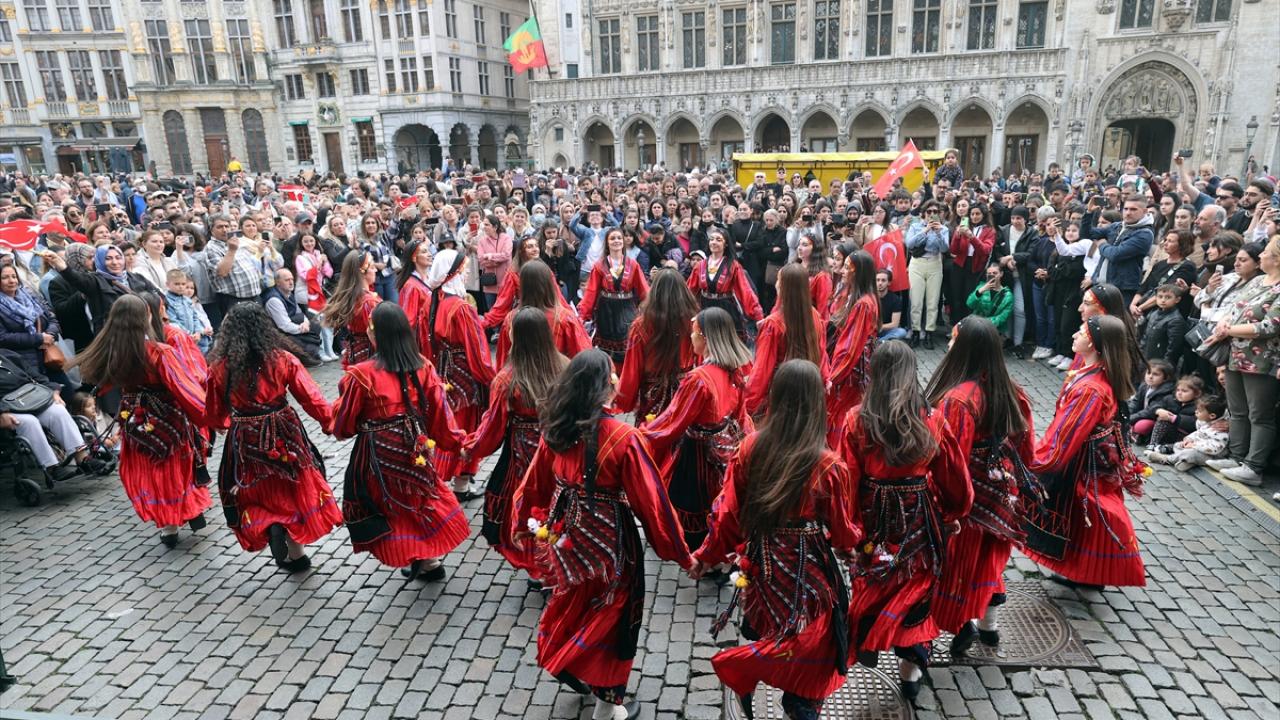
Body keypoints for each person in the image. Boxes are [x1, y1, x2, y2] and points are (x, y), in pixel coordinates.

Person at [511, 350, 692, 720]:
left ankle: (572, 664)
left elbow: (533, 484)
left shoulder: (557, 430)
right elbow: (652, 503)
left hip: (567, 539)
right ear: (605, 388)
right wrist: (681, 555)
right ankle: (607, 705)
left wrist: (519, 523)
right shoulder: (624, 439)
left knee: (571, 601)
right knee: (614, 614)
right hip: (611, 546)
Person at [689, 359, 857, 719]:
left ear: (775, 398)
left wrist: (706, 555)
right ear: (817, 403)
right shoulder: (830, 465)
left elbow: (729, 514)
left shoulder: (751, 448)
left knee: (772, 630)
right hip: (809, 570)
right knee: (811, 638)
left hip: (763, 565)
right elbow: (843, 531)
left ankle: (763, 676)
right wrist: (855, 546)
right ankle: (799, 702)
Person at [838, 340, 971, 700]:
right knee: (917, 587)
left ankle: (869, 632)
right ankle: (910, 672)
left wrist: (849, 532)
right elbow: (955, 477)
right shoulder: (932, 419)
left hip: (873, 516)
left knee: (874, 580)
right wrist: (954, 513)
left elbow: (846, 481)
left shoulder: (857, 419)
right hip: (918, 516)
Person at [924, 317, 1037, 655]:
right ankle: (989, 627)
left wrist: (945, 506)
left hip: (969, 496)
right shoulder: (1012, 390)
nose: (948, 344)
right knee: (989, 560)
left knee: (958, 565)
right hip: (1003, 492)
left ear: (965, 348)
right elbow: (1026, 448)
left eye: (953, 339)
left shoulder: (959, 399)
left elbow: (951, 460)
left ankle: (959, 627)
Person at [333, 302, 470, 582]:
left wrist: (344, 425)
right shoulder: (423, 365)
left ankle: (416, 555)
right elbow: (441, 414)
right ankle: (429, 559)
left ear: (375, 335)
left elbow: (344, 423)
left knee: (389, 502)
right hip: (416, 443)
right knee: (420, 495)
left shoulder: (361, 374)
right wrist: (459, 444)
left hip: (379, 449)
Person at [205, 304, 342, 573]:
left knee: (254, 487)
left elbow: (212, 409)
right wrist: (331, 423)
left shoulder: (221, 367)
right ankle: (296, 552)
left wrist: (218, 423)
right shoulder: (283, 359)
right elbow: (311, 396)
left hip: (244, 433)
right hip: (283, 428)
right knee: (292, 484)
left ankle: (271, 524)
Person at [71, 295, 210, 547]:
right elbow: (184, 389)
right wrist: (211, 416)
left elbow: (102, 386)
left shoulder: (112, 352)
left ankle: (170, 527)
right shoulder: (159, 352)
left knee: (150, 468)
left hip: (133, 417)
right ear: (147, 316)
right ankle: (181, 513)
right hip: (168, 417)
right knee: (174, 466)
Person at [1022, 315, 1147, 589]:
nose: (1073, 336)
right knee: (1087, 510)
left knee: (1091, 508)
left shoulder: (1090, 388)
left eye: (1080, 332)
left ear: (1093, 342)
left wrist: (1033, 461)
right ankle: (1088, 572)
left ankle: (1098, 570)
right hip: (1088, 458)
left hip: (1080, 461)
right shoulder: (1095, 375)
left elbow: (1066, 434)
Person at [464, 308, 568, 587]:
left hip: (523, 457)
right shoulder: (566, 367)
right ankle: (557, 562)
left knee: (528, 506)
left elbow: (492, 427)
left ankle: (539, 567)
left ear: (517, 338)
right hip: (561, 451)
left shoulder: (507, 379)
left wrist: (470, 447)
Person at [643, 306, 753, 560]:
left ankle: (697, 554)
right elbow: (740, 416)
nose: (689, 338)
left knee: (690, 504)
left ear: (704, 337)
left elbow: (672, 421)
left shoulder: (699, 379)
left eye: (693, 333)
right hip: (724, 448)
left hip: (696, 456)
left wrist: (640, 435)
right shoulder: (734, 371)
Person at [1203, 235, 1280, 486]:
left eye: (1266, 252)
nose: (1261, 256)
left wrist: (1231, 330)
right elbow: (1235, 307)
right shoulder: (1258, 280)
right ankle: (1236, 455)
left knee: (1260, 414)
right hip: (1236, 353)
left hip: (1262, 359)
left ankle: (1254, 465)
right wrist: (1225, 322)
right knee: (1238, 410)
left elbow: (1270, 326)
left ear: (1277, 259)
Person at [424, 248, 495, 499]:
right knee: (464, 424)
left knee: (449, 422)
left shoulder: (437, 300)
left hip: (446, 371)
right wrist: (491, 378)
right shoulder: (461, 308)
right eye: (463, 271)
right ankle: (458, 484)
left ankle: (453, 482)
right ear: (452, 273)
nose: (465, 276)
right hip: (464, 374)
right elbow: (477, 348)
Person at [0, 349, 109, 479]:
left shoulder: (7, 354)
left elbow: (34, 375)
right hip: (6, 407)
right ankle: (51, 467)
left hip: (30, 397)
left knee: (58, 410)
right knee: (29, 422)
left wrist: (53, 390)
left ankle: (83, 458)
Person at [615, 268, 698, 426]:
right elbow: (700, 360)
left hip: (652, 393)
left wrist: (623, 401)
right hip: (684, 391)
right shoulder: (693, 322)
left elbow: (632, 369)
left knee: (651, 437)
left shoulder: (641, 325)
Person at [746, 264, 827, 416]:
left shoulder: (774, 324)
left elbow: (761, 371)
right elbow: (822, 354)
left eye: (778, 280)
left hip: (782, 393)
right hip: (810, 389)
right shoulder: (815, 315)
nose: (776, 284)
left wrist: (747, 407)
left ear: (783, 287)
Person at [42, 245, 158, 336]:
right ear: (99, 261)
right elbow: (76, 278)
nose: (115, 262)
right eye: (108, 258)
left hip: (147, 331)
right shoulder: (95, 281)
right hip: (115, 338)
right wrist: (61, 264)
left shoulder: (137, 278)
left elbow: (159, 297)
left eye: (118, 257)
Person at [494, 260, 590, 367]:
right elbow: (583, 355)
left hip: (521, 379)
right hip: (557, 378)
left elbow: (503, 360)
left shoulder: (511, 318)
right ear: (549, 283)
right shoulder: (564, 318)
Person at [826, 250, 878, 445]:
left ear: (859, 273)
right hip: (853, 365)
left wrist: (833, 376)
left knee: (842, 410)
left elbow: (850, 346)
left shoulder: (863, 304)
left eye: (848, 267)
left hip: (851, 370)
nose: (843, 270)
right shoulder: (857, 297)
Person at [578, 228, 650, 364]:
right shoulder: (599, 266)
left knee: (627, 348)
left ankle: (625, 379)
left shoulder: (633, 264)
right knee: (606, 351)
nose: (616, 241)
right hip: (606, 310)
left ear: (623, 242)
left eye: (619, 238)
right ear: (607, 243)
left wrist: (649, 310)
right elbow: (591, 292)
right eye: (612, 238)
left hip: (627, 309)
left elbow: (644, 290)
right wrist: (583, 315)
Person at [687, 225, 763, 343]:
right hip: (705, 307)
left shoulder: (733, 266)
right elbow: (689, 290)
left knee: (727, 344)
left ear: (726, 244)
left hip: (726, 309)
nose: (714, 242)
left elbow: (746, 291)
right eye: (711, 239)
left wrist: (757, 314)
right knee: (707, 343)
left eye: (718, 240)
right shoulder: (700, 265)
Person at [904, 200, 950, 349]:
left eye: (935, 212)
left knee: (932, 301)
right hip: (917, 264)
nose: (932, 214)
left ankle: (929, 333)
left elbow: (944, 249)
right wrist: (924, 231)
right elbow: (909, 244)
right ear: (924, 213)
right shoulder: (915, 226)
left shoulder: (943, 229)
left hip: (935, 264)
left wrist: (937, 233)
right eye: (929, 211)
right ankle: (916, 332)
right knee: (916, 301)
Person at [325, 251, 381, 368]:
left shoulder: (355, 296)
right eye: (372, 267)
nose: (375, 270)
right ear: (362, 272)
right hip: (370, 358)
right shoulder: (368, 302)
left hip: (357, 354)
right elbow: (376, 335)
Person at [1146, 394, 1230, 473]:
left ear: (1212, 416)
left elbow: (1213, 449)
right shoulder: (1205, 422)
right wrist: (1189, 439)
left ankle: (1167, 459)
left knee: (1190, 454)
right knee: (1179, 445)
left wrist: (1194, 446)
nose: (1196, 412)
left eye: (1199, 411)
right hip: (1197, 446)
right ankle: (1186, 462)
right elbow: (1198, 433)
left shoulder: (1220, 431)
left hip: (1210, 455)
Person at [262, 269, 322, 365]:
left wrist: (306, 323)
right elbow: (284, 325)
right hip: (281, 334)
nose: (291, 283)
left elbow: (300, 313)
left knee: (316, 325)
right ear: (277, 282)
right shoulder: (274, 300)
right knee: (304, 345)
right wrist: (302, 329)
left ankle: (313, 353)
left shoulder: (289, 293)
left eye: (292, 279)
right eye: (287, 280)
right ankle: (307, 357)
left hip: (296, 328)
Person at [294, 232, 337, 361]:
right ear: (301, 244)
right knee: (317, 324)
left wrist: (323, 263)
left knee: (328, 322)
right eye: (306, 241)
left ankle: (330, 349)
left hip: (321, 293)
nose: (309, 244)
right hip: (309, 294)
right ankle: (321, 351)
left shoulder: (320, 255)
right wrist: (319, 263)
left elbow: (329, 273)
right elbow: (306, 276)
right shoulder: (300, 258)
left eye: (311, 241)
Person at [967, 262, 1015, 336]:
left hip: (994, 331)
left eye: (995, 273)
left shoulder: (1008, 296)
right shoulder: (981, 288)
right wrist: (980, 291)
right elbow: (970, 304)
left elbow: (1002, 318)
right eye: (989, 273)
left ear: (1001, 274)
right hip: (976, 327)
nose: (992, 275)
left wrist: (983, 324)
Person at [876, 269, 907, 340]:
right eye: (877, 280)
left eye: (883, 280)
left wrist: (880, 327)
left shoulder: (895, 299)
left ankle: (879, 343)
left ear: (889, 283)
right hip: (869, 330)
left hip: (885, 330)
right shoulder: (870, 297)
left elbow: (895, 324)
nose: (880, 283)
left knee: (902, 332)